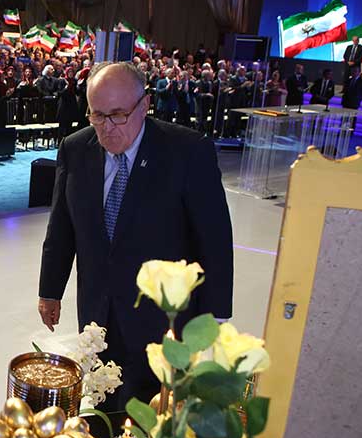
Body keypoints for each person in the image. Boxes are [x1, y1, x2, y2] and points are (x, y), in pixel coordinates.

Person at [37, 61, 233, 410]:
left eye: (118, 115)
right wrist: (50, 290)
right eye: (97, 116)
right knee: (102, 405)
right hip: (98, 312)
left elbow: (214, 237)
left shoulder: (187, 151)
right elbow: (62, 226)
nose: (107, 128)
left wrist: (214, 316)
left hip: (161, 319)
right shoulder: (75, 149)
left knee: (156, 418)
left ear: (144, 105)